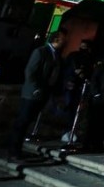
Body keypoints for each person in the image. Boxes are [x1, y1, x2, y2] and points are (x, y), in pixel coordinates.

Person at [7, 28, 67, 161]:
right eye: (63, 39)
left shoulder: (56, 55)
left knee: (27, 121)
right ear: (56, 39)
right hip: (32, 94)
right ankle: (13, 151)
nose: (65, 41)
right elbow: (30, 71)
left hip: (43, 93)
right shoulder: (41, 52)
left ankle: (18, 149)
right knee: (22, 121)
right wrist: (35, 88)